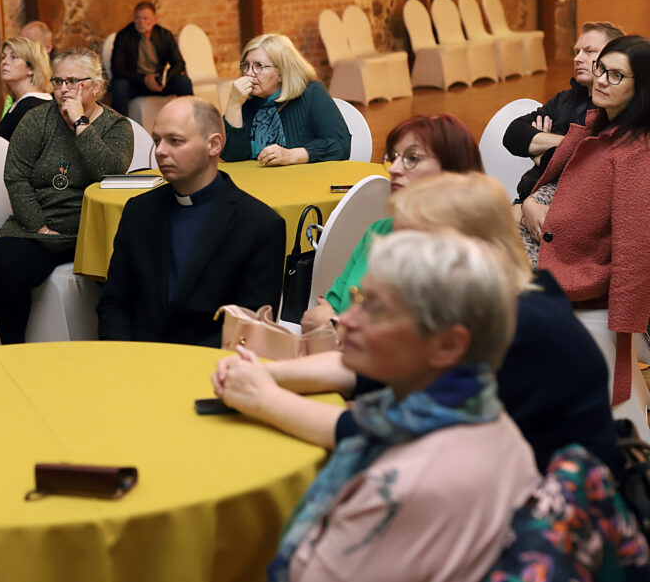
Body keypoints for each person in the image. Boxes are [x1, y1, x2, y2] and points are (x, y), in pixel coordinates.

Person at [213, 172, 620, 477]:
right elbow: (371, 368)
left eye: (410, 243)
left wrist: (265, 398)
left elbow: (382, 433)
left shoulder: (518, 328)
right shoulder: (492, 297)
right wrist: (269, 374)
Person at [253, 230, 538, 582]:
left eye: (376, 309)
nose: (346, 320)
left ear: (448, 345)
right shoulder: (494, 423)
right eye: (358, 299)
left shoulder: (400, 486)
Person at [522, 34, 650, 408]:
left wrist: (622, 352)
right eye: (600, 69)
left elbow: (634, 252)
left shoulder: (635, 154)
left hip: (576, 283)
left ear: (641, 88)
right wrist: (529, 203)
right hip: (552, 265)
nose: (601, 80)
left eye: (615, 75)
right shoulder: (599, 130)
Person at [97, 97, 286, 347]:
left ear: (214, 145)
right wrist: (125, 356)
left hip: (212, 364)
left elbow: (249, 329)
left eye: (175, 141)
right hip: (137, 358)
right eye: (157, 140)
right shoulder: (139, 211)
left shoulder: (259, 224)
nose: (160, 151)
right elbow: (114, 304)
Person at [0, 49, 133, 344]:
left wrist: (81, 123)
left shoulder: (117, 126)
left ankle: (115, 350)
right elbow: (16, 177)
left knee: (127, 271)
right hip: (38, 229)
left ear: (96, 85)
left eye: (73, 81)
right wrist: (40, 228)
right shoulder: (36, 119)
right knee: (4, 262)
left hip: (92, 231)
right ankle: (13, 352)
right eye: (58, 81)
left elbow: (108, 172)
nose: (64, 89)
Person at [301, 114, 482, 332]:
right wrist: (332, 324)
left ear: (452, 171)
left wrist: (335, 325)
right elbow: (327, 308)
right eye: (393, 157)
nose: (394, 169)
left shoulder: (461, 253)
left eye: (412, 158)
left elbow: (417, 342)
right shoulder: (381, 230)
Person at [502, 21, 624, 208]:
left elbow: (590, 166)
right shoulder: (565, 99)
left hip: (567, 208)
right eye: (577, 51)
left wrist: (539, 151)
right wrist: (569, 145)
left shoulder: (613, 108)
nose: (578, 58)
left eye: (589, 51)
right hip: (526, 196)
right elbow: (513, 134)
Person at [222, 33, 350, 165]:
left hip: (305, 176)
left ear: (282, 73)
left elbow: (340, 144)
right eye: (246, 66)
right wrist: (234, 103)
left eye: (258, 66)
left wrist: (292, 155)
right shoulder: (249, 102)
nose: (248, 73)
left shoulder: (312, 93)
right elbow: (232, 156)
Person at [110, 1, 193, 116]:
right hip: (136, 83)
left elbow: (179, 63)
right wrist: (144, 79)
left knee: (183, 81)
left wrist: (165, 78)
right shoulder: (123, 36)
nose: (141, 22)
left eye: (145, 19)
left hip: (159, 83)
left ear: (154, 20)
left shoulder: (164, 35)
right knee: (119, 85)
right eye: (138, 18)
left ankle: (189, 120)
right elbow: (117, 68)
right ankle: (120, 126)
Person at [0, 36, 53, 139]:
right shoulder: (20, 102)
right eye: (3, 57)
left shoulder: (30, 108)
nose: (4, 62)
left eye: (14, 57)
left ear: (31, 68)